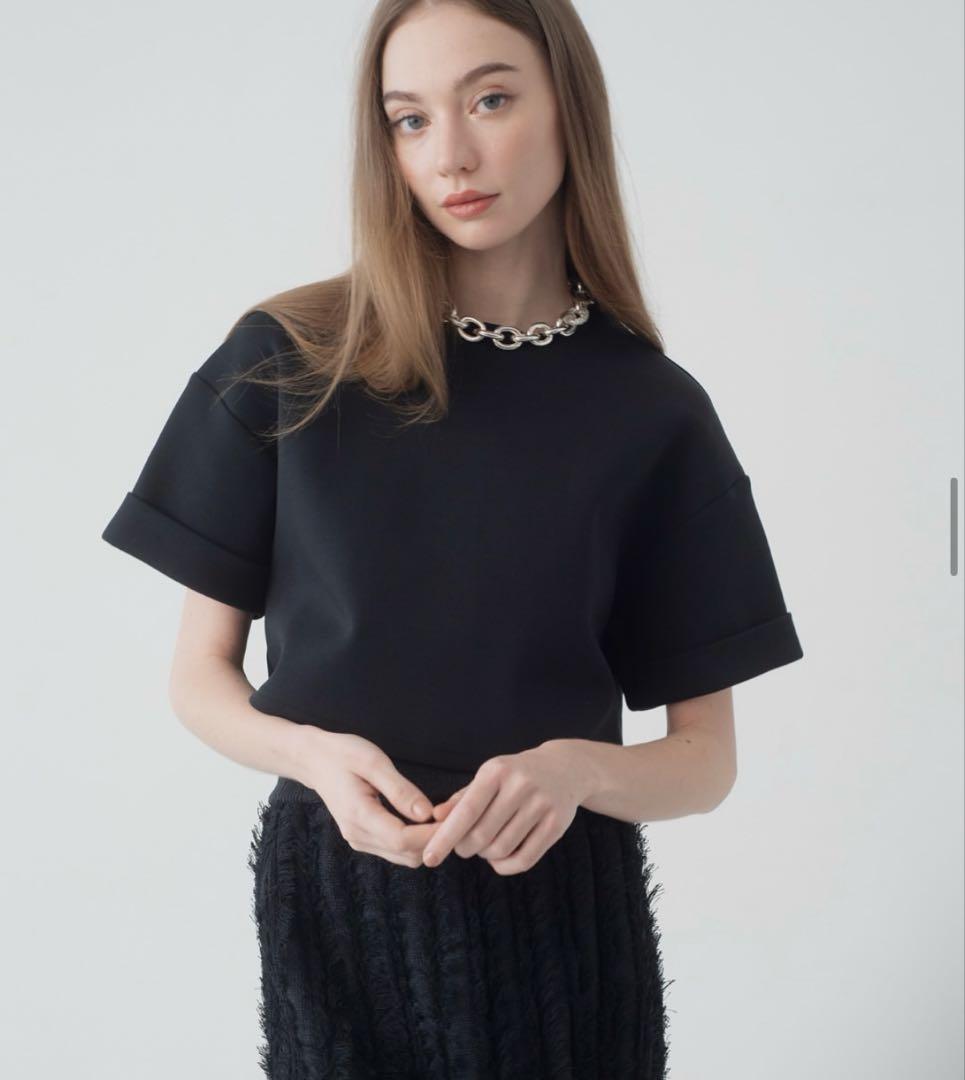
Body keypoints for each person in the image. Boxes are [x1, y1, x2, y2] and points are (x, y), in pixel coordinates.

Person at [101, 1, 804, 1077]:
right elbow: (200, 679)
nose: (451, 156)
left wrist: (573, 771)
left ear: (567, 108)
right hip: (336, 909)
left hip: (566, 932)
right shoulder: (290, 357)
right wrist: (314, 760)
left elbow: (704, 761)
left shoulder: (652, 411)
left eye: (490, 100)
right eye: (410, 119)